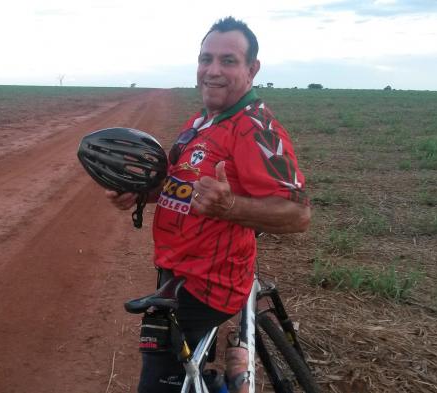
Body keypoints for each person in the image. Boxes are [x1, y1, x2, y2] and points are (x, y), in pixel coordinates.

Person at [106, 16, 311, 393]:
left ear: (252, 69)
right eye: (205, 59)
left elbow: (298, 214)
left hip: (209, 285)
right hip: (176, 273)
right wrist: (140, 193)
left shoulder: (255, 128)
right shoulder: (200, 122)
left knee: (160, 381)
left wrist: (229, 207)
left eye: (228, 61)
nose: (212, 71)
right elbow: (176, 187)